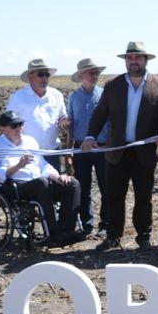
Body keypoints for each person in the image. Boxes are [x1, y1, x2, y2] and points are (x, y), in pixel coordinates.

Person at [82, 41, 158, 251]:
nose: (133, 61)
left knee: (144, 197)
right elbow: (100, 114)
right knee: (114, 196)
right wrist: (90, 136)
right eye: (130, 58)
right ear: (126, 61)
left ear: (145, 60)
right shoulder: (113, 85)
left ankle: (144, 237)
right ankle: (113, 237)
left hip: (145, 152)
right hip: (117, 151)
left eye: (137, 58)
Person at [0, 110, 82, 246]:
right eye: (14, 126)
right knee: (42, 183)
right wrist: (18, 166)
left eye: (20, 125)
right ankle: (53, 234)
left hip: (38, 181)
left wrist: (57, 176)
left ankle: (66, 230)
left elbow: (42, 164)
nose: (18, 128)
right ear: (3, 128)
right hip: (13, 186)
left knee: (72, 183)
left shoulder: (30, 141)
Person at [68, 58, 110, 237]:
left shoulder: (104, 95)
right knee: (82, 187)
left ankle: (106, 224)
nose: (94, 75)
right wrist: (69, 149)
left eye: (96, 72)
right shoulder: (74, 97)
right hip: (80, 149)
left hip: (102, 148)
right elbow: (71, 124)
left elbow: (111, 121)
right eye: (91, 72)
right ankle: (86, 224)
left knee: (105, 186)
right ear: (81, 76)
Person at [7, 58, 70, 172]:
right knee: (33, 187)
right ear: (30, 76)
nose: (44, 78)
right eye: (41, 75)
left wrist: (64, 123)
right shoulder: (18, 97)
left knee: (54, 186)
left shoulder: (56, 95)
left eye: (47, 75)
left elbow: (62, 117)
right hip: (28, 154)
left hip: (52, 151)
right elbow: (9, 124)